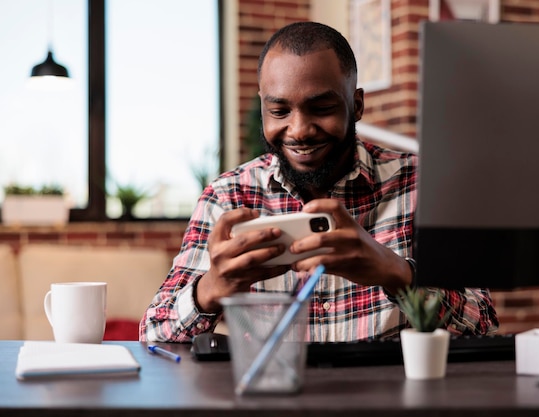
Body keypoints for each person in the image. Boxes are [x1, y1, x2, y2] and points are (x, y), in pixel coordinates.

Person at [140, 21, 499, 342]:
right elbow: (153, 331)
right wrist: (211, 289)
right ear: (263, 106)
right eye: (279, 111)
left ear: (356, 105)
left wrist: (396, 273)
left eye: (322, 108)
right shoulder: (228, 197)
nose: (299, 131)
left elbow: (482, 323)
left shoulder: (420, 185)